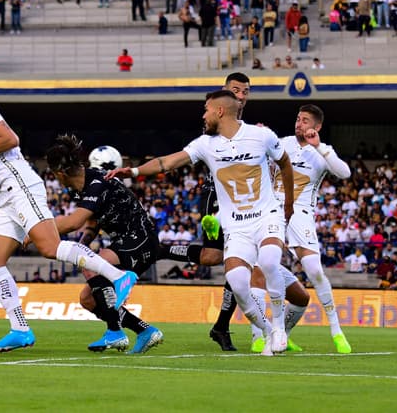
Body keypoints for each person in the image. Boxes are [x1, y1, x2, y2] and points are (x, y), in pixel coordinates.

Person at [0, 68, 137, 352]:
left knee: (50, 248)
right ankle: (19, 328)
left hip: (20, 186)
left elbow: (10, 139)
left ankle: (119, 276)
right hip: (7, 197)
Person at [109, 88, 295, 357]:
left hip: (267, 215)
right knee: (238, 283)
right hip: (235, 226)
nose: (203, 115)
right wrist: (134, 171)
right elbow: (167, 162)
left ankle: (278, 327)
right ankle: (267, 331)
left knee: (267, 261)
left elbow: (285, 163)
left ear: (220, 111)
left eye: (206, 109)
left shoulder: (261, 135)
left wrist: (288, 204)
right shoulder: (205, 144)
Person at [45, 135, 164, 355]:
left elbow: (74, 222)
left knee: (90, 265)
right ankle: (145, 331)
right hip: (126, 241)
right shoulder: (81, 187)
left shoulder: (97, 182)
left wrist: (36, 232)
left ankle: (115, 332)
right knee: (88, 300)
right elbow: (91, 222)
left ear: (59, 174)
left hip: (141, 239)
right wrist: (82, 246)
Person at [274, 104, 353, 353]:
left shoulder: (321, 152)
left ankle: (336, 331)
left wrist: (319, 146)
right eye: (298, 118)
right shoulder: (280, 142)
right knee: (259, 265)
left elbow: (345, 173)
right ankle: (264, 335)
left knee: (314, 270)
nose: (299, 123)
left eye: (305, 120)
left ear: (316, 127)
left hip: (300, 214)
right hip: (272, 209)